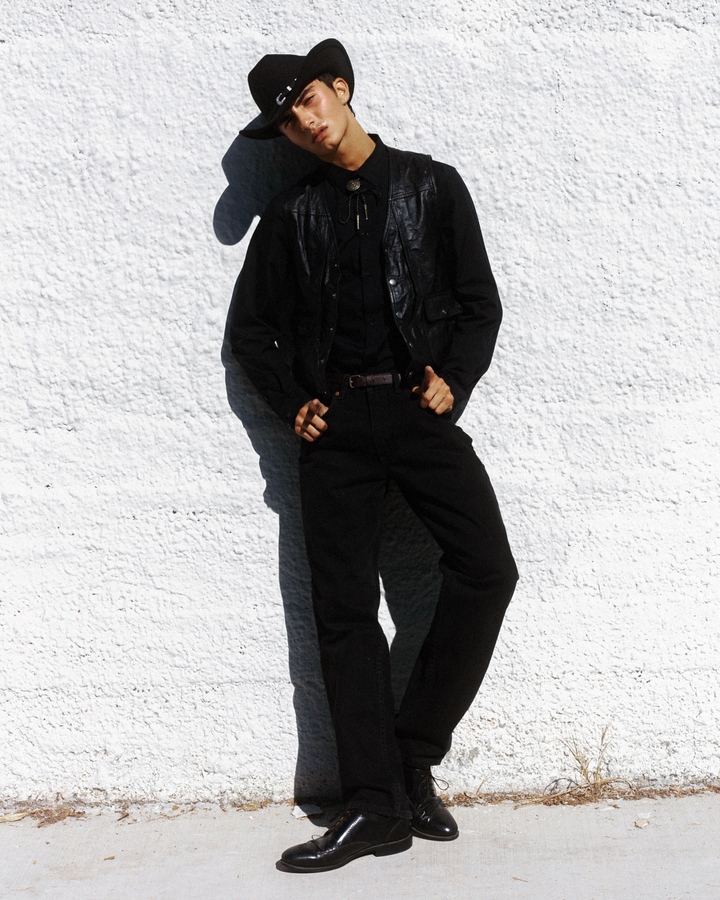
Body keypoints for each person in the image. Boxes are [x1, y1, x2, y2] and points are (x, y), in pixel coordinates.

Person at [229, 38, 518, 873]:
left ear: (340, 87)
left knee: (488, 571)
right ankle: (374, 806)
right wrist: (294, 403)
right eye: (289, 121)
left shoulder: (432, 185)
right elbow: (251, 331)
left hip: (419, 412)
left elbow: (478, 302)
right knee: (344, 613)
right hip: (338, 430)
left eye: (309, 100)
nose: (305, 123)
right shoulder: (291, 215)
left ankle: (411, 755)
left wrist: (454, 380)